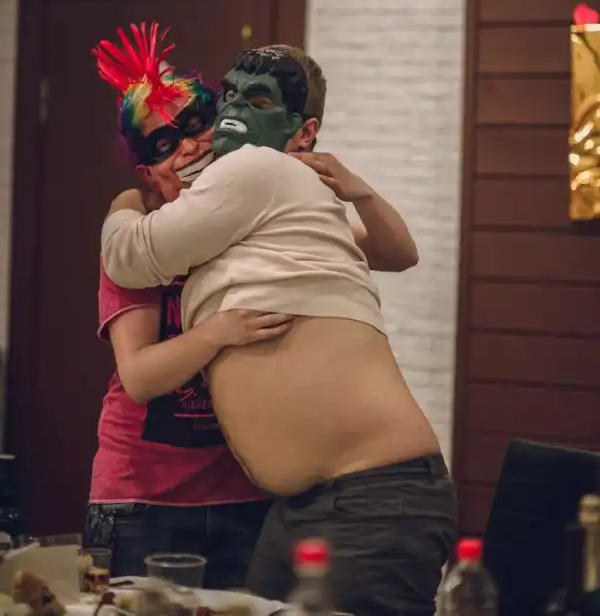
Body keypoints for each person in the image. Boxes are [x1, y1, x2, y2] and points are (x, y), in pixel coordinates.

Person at [101, 36, 456, 616]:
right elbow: (397, 253)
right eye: (231, 95)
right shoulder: (255, 209)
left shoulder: (257, 171)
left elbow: (127, 254)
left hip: (364, 499)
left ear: (303, 131)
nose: (229, 115)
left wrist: (121, 204)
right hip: (297, 505)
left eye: (258, 100)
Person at [86, 23, 291, 584]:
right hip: (144, 499)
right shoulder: (137, 242)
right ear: (148, 171)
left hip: (247, 491)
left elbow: (393, 251)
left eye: (198, 125)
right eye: (165, 144)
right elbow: (139, 377)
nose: (190, 147)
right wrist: (220, 331)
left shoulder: (254, 223)